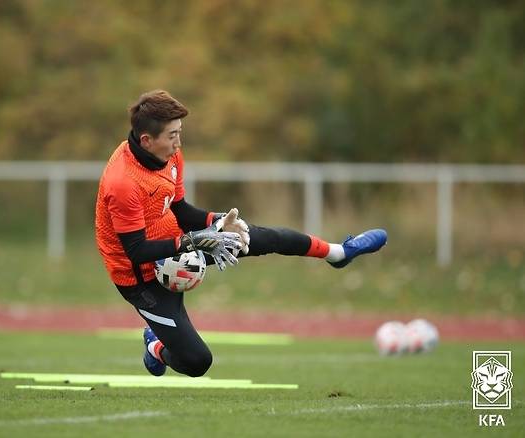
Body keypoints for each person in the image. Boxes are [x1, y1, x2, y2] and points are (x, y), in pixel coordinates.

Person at [95, 90, 387, 377]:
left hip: (177, 244)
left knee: (263, 237)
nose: (178, 143)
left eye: (179, 132)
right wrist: (192, 240)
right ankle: (156, 347)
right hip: (139, 276)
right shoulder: (123, 183)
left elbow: (180, 210)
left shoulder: (171, 156)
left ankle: (338, 252)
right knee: (197, 362)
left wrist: (219, 222)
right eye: (172, 136)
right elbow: (136, 250)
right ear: (146, 140)